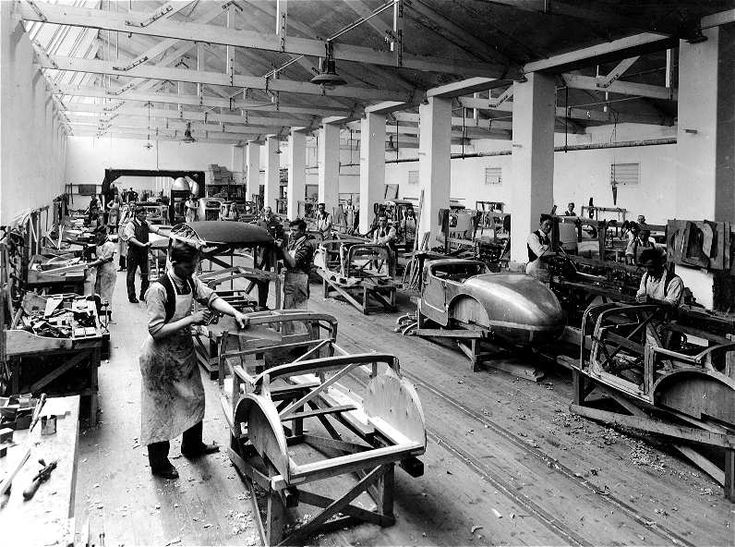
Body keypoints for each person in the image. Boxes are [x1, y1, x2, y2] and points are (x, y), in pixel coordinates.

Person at [140, 241, 249, 479]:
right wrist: (192, 319)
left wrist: (235, 312)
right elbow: (156, 330)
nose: (192, 270)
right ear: (174, 262)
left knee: (195, 398)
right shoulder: (158, 290)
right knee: (161, 409)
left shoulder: (189, 281)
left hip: (182, 352)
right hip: (160, 358)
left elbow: (210, 297)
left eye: (194, 266)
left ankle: (192, 446)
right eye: (189, 266)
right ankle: (159, 464)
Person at [124, 206, 162, 303]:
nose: (145, 215)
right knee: (131, 274)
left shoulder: (146, 224)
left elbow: (156, 230)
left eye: (145, 214)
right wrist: (142, 244)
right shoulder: (131, 225)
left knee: (145, 274)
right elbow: (131, 238)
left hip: (143, 252)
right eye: (142, 214)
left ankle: (143, 295)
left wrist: (170, 235)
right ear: (137, 214)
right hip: (133, 252)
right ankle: (131, 296)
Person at [280, 218, 313, 309]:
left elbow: (294, 263)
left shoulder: (306, 245)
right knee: (287, 308)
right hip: (290, 277)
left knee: (298, 311)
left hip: (300, 280)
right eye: (291, 230)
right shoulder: (293, 243)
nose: (292, 233)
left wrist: (282, 249)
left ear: (302, 231)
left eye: (295, 230)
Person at [255, 207, 285, 309]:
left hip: (271, 251)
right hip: (262, 251)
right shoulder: (260, 222)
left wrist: (278, 241)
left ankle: (263, 303)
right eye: (266, 212)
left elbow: (281, 234)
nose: (267, 213)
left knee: (268, 274)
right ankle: (261, 303)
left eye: (269, 212)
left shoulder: (275, 223)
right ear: (263, 212)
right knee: (258, 273)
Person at [92, 227, 117, 320]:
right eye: (97, 235)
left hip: (108, 270)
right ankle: (100, 313)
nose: (98, 237)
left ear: (105, 234)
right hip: (102, 270)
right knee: (98, 292)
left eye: (99, 235)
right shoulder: (101, 243)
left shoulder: (109, 244)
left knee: (106, 293)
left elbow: (105, 259)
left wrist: (91, 264)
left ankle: (107, 315)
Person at [526, 213, 557, 282]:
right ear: (540, 224)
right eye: (546, 224)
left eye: (550, 225)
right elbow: (541, 254)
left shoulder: (548, 238)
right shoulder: (533, 237)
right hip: (534, 269)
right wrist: (556, 253)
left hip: (543, 270)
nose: (549, 227)